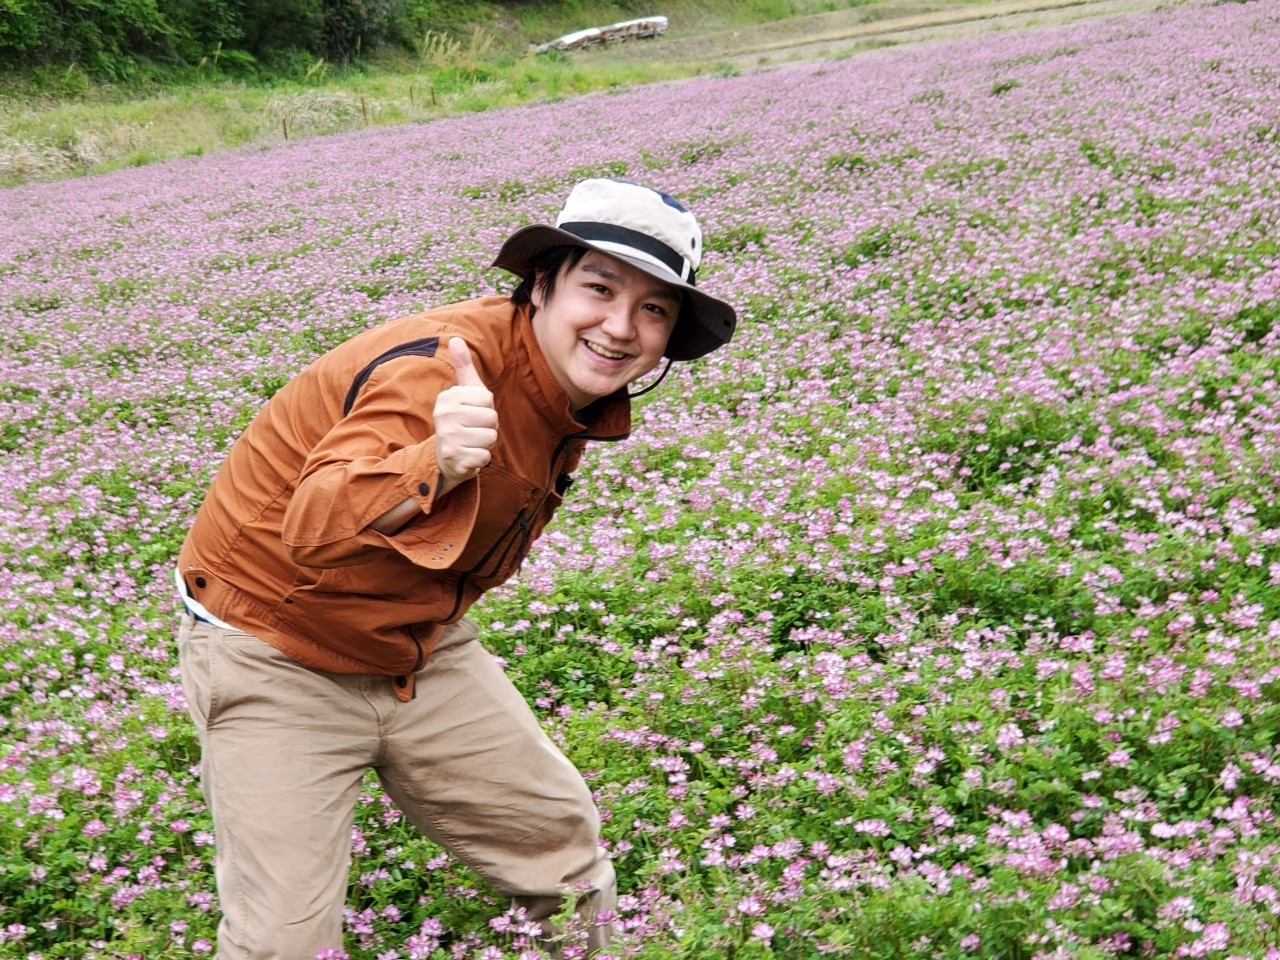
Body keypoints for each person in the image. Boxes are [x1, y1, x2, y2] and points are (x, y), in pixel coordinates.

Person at [174, 177, 737, 959]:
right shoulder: (443, 370)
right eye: (599, 289)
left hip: (416, 640)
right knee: (283, 944)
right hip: (277, 649)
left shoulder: (563, 390)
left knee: (561, 848)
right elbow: (310, 520)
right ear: (541, 285)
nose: (619, 328)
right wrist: (434, 459)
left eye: (653, 309)